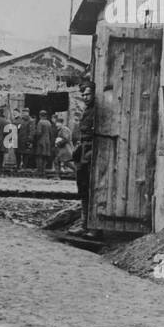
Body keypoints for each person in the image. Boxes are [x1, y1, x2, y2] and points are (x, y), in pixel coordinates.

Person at [71, 78, 97, 234]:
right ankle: (84, 224)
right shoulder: (87, 110)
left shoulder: (96, 110)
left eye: (88, 94)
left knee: (92, 189)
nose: (86, 97)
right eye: (84, 95)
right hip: (83, 151)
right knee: (83, 188)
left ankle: (93, 227)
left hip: (91, 151)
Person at [34, 109, 55, 175]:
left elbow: (39, 133)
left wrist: (36, 138)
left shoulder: (40, 122)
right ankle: (43, 171)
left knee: (39, 156)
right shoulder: (49, 123)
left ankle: (39, 171)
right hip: (47, 142)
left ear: (40, 115)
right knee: (45, 157)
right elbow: (51, 133)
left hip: (41, 142)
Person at [17, 107, 35, 172]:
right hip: (20, 140)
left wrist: (29, 140)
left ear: (28, 113)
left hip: (26, 140)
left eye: (25, 112)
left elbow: (32, 131)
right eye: (23, 112)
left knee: (26, 155)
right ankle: (18, 167)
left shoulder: (31, 121)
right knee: (18, 154)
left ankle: (24, 167)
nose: (24, 114)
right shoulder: (21, 120)